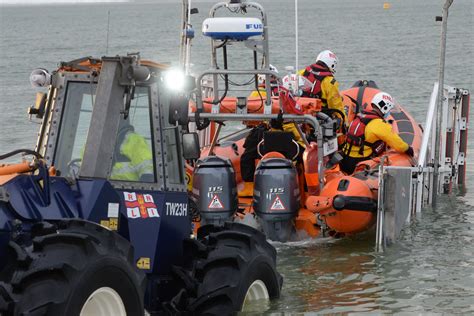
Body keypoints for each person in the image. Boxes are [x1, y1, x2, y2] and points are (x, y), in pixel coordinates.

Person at [238, 87, 305, 197]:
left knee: (248, 155)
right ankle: (250, 184)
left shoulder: (291, 117)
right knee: (248, 155)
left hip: (286, 146)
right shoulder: (292, 113)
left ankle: (250, 184)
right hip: (284, 145)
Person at [339, 91, 414, 174]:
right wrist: (408, 149)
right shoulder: (379, 124)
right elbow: (396, 142)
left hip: (345, 160)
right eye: (389, 109)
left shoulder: (360, 116)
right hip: (360, 162)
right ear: (384, 108)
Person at [299, 50, 346, 123]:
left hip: (299, 113)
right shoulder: (330, 81)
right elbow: (336, 106)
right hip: (319, 118)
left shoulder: (302, 73)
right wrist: (345, 123)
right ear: (332, 65)